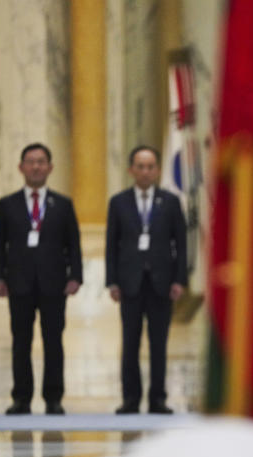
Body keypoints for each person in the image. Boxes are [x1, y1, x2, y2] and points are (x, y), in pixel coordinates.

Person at [0, 142, 83, 415]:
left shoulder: (63, 205)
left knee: (53, 340)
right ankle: (21, 398)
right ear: (21, 168)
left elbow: (74, 244)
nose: (36, 167)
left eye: (41, 162)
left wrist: (75, 275)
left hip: (54, 283)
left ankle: (53, 397)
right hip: (18, 283)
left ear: (50, 168)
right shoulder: (7, 204)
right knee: (21, 341)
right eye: (30, 162)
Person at [105, 145, 188, 414]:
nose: (145, 171)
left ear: (158, 170)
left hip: (161, 283)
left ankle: (158, 399)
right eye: (140, 166)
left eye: (150, 166)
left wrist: (179, 280)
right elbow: (111, 244)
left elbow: (182, 244)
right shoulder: (119, 202)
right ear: (131, 170)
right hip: (129, 283)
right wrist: (112, 281)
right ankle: (130, 399)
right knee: (130, 344)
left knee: (159, 344)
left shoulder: (171, 202)